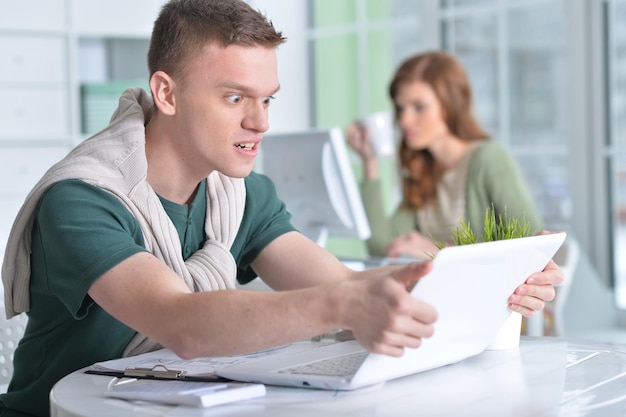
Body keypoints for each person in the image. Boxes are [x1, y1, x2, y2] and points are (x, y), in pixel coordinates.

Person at [0, 3, 562, 416]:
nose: (260, 122)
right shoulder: (82, 198)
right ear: (166, 94)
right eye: (234, 97)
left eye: (266, 98)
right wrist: (342, 302)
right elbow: (181, 323)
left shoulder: (241, 196)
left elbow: (342, 281)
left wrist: (495, 281)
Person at [346, 51, 544, 259]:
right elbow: (381, 247)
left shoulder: (489, 159)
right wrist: (369, 161)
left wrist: (439, 250)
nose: (404, 121)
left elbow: (533, 244)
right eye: (400, 108)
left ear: (451, 104)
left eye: (419, 107)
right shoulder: (423, 171)